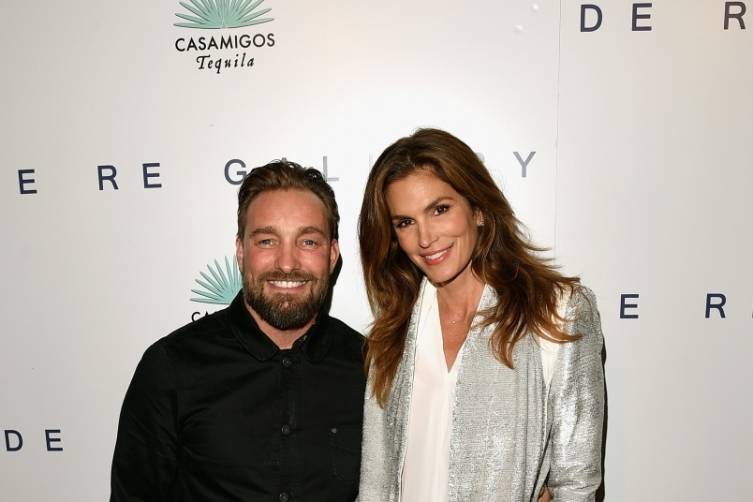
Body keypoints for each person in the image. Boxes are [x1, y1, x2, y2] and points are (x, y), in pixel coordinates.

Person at [357, 129, 605, 501]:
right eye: (405, 222)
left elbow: (577, 484)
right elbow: (375, 485)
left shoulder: (558, 312)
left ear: (478, 210)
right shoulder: (394, 330)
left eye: (440, 210)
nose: (425, 238)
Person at [111, 160, 365, 502]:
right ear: (241, 252)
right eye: (266, 241)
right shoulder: (171, 367)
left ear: (332, 256)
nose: (287, 263)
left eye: (308, 242)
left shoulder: (370, 366)